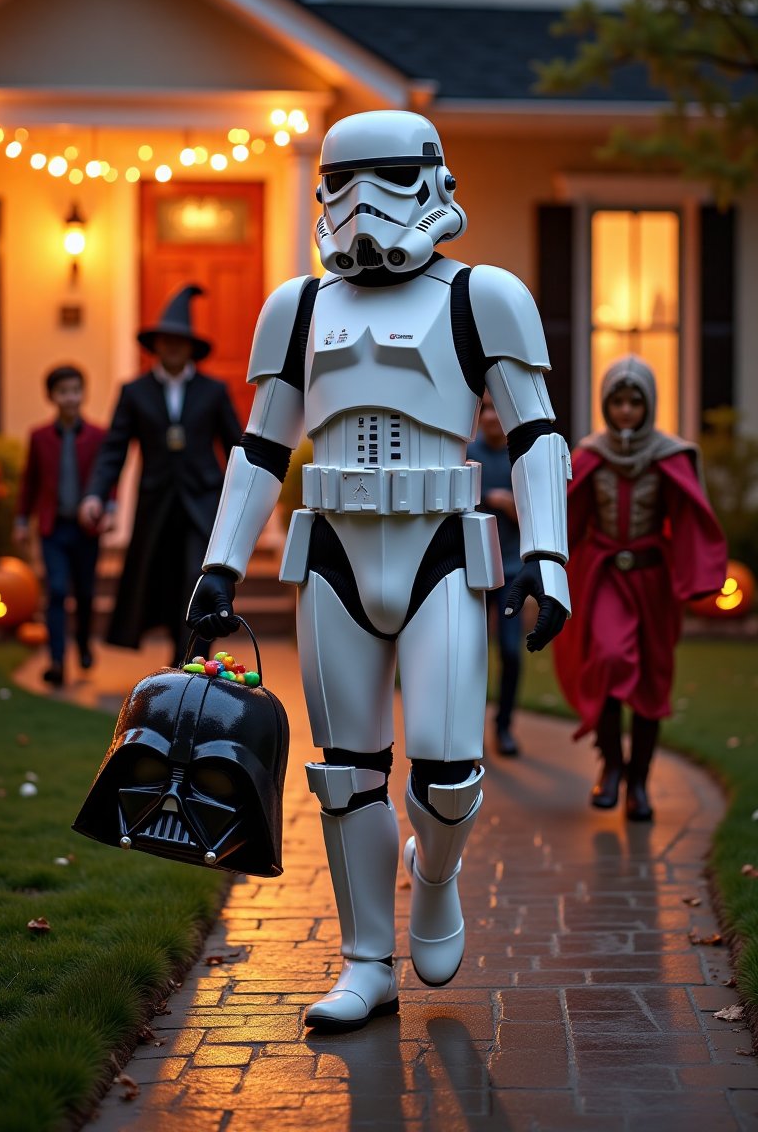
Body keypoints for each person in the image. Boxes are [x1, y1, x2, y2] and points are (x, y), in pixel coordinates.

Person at [187, 109, 572, 1031]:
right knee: (345, 769)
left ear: (433, 179)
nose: (361, 207)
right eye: (341, 183)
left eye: (385, 178)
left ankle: (434, 875)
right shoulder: (300, 307)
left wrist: (549, 559)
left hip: (443, 543)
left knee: (446, 772)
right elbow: (258, 446)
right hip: (333, 548)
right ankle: (366, 960)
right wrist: (219, 565)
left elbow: (535, 432)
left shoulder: (485, 297)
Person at [553, 355, 727, 821]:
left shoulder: (670, 454)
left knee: (651, 681)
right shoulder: (590, 454)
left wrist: (701, 575)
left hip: (654, 581)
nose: (626, 411)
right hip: (606, 576)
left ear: (648, 404)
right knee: (609, 660)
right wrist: (548, 565)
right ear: (606, 405)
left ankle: (639, 785)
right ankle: (611, 766)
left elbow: (690, 518)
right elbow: (570, 519)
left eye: (635, 401)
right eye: (618, 402)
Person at [79, 286, 242, 663]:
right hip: (156, 505)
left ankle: (193, 661)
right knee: (164, 583)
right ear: (155, 345)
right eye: (165, 341)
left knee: (196, 578)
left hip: (203, 503)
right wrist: (96, 495)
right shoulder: (134, 392)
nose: (172, 347)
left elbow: (237, 447)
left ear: (191, 348)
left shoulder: (213, 391)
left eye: (179, 341)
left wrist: (244, 501)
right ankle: (178, 656)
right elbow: (113, 450)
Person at [14, 364, 111, 687]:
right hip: (53, 528)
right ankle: (56, 660)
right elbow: (30, 482)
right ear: (51, 396)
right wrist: (20, 520)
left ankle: (83, 642)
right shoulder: (39, 436)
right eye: (63, 392)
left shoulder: (98, 435)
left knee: (84, 592)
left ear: (83, 393)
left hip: (86, 529)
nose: (70, 398)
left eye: (75, 390)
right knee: (56, 590)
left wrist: (108, 508)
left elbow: (107, 476)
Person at [467, 391, 525, 757]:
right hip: (474, 569)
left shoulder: (520, 455)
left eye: (496, 409)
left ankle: (503, 727)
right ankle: (469, 732)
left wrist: (510, 503)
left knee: (510, 652)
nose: (490, 416)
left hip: (513, 571)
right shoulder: (467, 453)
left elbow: (534, 512)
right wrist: (497, 498)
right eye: (484, 408)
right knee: (470, 654)